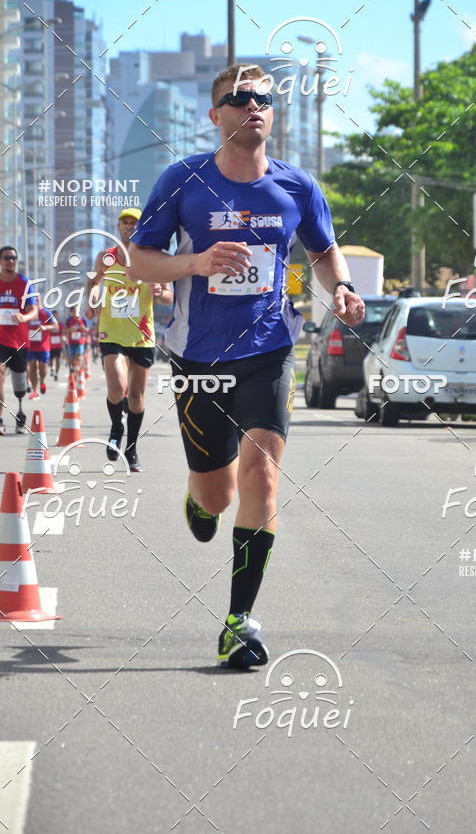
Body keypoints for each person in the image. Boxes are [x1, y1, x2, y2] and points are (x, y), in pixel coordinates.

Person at [129, 64, 365, 669]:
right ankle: (199, 500)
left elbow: (322, 248)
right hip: (198, 358)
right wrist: (196, 264)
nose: (252, 105)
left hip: (270, 352)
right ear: (216, 116)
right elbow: (139, 262)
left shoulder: (296, 186)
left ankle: (239, 622)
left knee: (262, 477)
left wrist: (339, 287)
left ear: (272, 112)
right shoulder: (183, 181)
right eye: (238, 98)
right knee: (218, 493)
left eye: (262, 98)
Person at [87, 207, 172, 473]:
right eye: (124, 222)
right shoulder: (106, 258)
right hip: (111, 331)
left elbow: (168, 296)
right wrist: (92, 300)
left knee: (135, 397)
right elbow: (92, 285)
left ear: (141, 227)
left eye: (134, 222)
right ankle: (116, 428)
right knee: (117, 388)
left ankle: (132, 448)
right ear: (118, 227)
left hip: (142, 335)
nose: (129, 226)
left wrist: (160, 292)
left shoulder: (153, 259)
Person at [0, 245, 37, 434]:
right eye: (6, 258)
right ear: (0, 261)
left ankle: (20, 411)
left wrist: (24, 317)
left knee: (20, 386)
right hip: (0, 340)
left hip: (20, 341)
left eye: (13, 258)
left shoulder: (25, 283)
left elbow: (34, 310)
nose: (10, 261)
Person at [27, 297, 58, 398]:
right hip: (31, 346)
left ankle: (42, 381)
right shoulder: (28, 312)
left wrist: (46, 327)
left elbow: (55, 326)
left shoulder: (46, 313)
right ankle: (35, 390)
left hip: (43, 346)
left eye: (37, 300)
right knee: (32, 367)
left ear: (40, 301)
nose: (35, 302)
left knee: (42, 368)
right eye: (33, 300)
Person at [65, 306, 87, 373]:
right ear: (71, 313)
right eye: (74, 312)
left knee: (79, 355)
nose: (76, 313)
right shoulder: (69, 320)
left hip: (80, 341)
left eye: (77, 311)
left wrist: (83, 328)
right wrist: (70, 330)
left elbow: (87, 329)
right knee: (71, 358)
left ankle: (79, 367)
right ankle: (73, 368)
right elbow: (65, 330)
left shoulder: (83, 320)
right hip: (71, 342)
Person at [49, 315, 64, 381]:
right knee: (51, 359)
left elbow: (62, 333)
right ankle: (52, 368)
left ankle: (56, 374)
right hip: (50, 345)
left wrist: (63, 338)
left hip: (58, 345)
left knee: (58, 359)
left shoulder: (60, 325)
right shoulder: (49, 325)